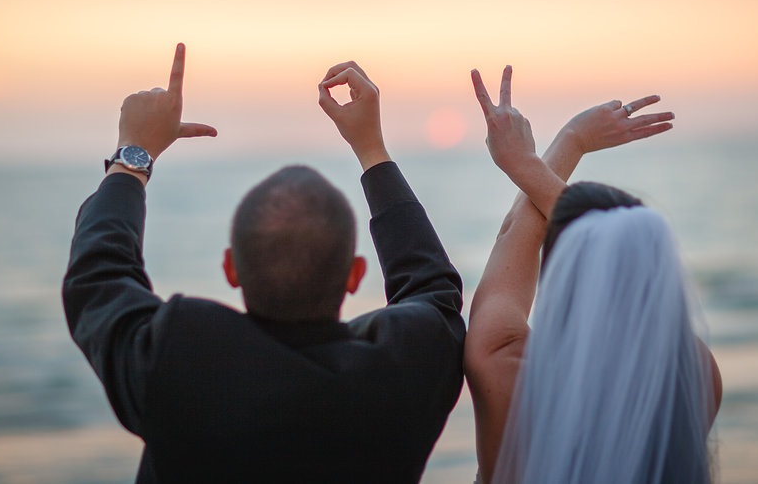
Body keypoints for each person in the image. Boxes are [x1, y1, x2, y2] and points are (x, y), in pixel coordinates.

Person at [63, 45, 465, 483]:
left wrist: (132, 156)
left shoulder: (178, 363)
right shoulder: (403, 372)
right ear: (355, 275)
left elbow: (98, 276)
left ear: (230, 269)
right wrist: (371, 149)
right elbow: (433, 291)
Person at [465, 66, 721, 483]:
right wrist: (529, 164)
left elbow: (513, 236)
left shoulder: (504, 365)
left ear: (562, 269)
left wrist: (570, 141)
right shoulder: (693, 372)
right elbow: (625, 257)